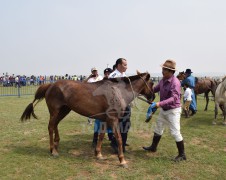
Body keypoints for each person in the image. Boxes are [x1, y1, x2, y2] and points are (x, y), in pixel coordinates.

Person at [143, 59, 186, 162]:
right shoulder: (162, 80)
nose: (162, 71)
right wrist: (145, 91)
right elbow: (155, 89)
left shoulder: (175, 83)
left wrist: (159, 104)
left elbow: (174, 98)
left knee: (175, 132)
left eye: (164, 69)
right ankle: (153, 147)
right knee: (158, 128)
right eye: (162, 69)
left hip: (173, 111)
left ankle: (182, 154)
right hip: (164, 110)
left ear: (171, 72)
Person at [108, 58, 131, 153]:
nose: (126, 67)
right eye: (125, 65)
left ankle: (120, 143)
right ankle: (116, 144)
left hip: (125, 104)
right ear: (119, 65)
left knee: (126, 124)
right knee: (119, 125)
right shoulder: (113, 75)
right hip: (116, 106)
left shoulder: (124, 75)